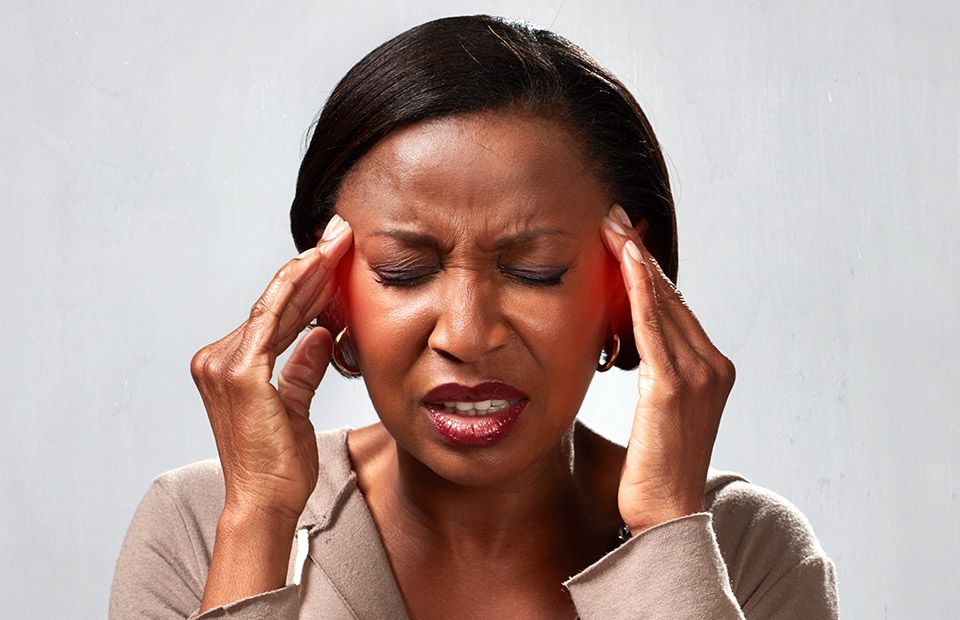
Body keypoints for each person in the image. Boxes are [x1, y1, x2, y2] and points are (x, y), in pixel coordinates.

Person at [110, 15, 838, 619]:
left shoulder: (745, 546)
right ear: (328, 293)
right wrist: (260, 521)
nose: (466, 335)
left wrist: (667, 535)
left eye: (535, 271)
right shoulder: (201, 523)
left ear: (626, 285)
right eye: (404, 271)